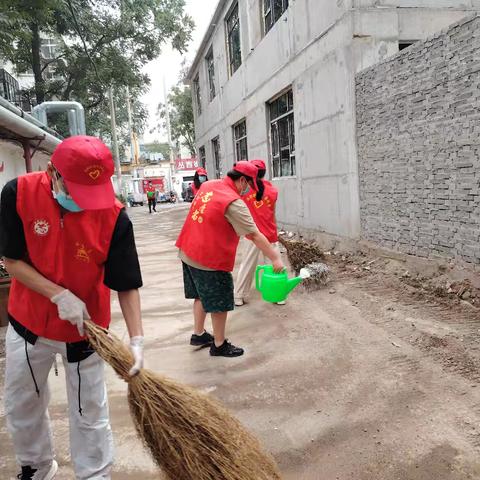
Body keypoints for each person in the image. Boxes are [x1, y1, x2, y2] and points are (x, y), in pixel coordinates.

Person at [0, 136, 144, 480]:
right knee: (23, 404)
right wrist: (58, 295)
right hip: (29, 323)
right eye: (75, 190)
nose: (83, 202)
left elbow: (126, 283)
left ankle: (94, 474)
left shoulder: (114, 216)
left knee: (90, 411)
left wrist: (137, 339)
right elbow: (11, 261)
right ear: (52, 172)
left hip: (86, 330)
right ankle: (36, 466)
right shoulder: (17, 194)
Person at [175, 162, 284, 358]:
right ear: (242, 180)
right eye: (248, 185)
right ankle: (219, 344)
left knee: (200, 294)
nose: (247, 190)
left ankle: (199, 334)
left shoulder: (209, 185)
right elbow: (254, 234)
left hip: (188, 250)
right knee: (219, 301)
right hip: (208, 258)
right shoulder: (233, 202)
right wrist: (275, 258)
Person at [234, 159, 281, 306]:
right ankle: (278, 295)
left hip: (251, 235)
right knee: (275, 265)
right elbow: (272, 213)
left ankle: (239, 296)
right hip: (269, 234)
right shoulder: (273, 190)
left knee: (247, 265)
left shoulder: (245, 189)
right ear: (264, 172)